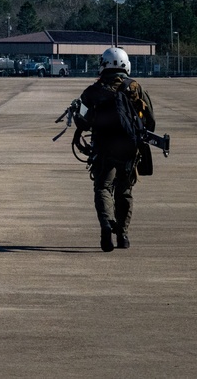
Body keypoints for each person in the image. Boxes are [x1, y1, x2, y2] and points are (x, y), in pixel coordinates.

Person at [77, 47, 155, 252]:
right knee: (124, 191)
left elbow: (82, 122)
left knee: (103, 187)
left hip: (104, 148)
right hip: (129, 150)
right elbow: (150, 121)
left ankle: (106, 224)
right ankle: (123, 235)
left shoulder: (93, 91)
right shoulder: (135, 88)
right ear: (125, 65)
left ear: (103, 64)